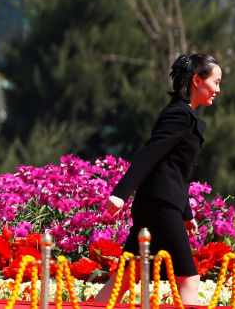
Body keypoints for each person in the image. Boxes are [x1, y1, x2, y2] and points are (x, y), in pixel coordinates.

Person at [94, 53, 222, 305]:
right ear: (197, 81)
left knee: (127, 275)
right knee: (189, 279)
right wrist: (120, 194)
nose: (218, 89)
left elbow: (176, 171)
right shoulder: (179, 115)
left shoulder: (185, 115)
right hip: (159, 207)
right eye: (215, 82)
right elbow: (149, 155)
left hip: (158, 204)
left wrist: (186, 213)